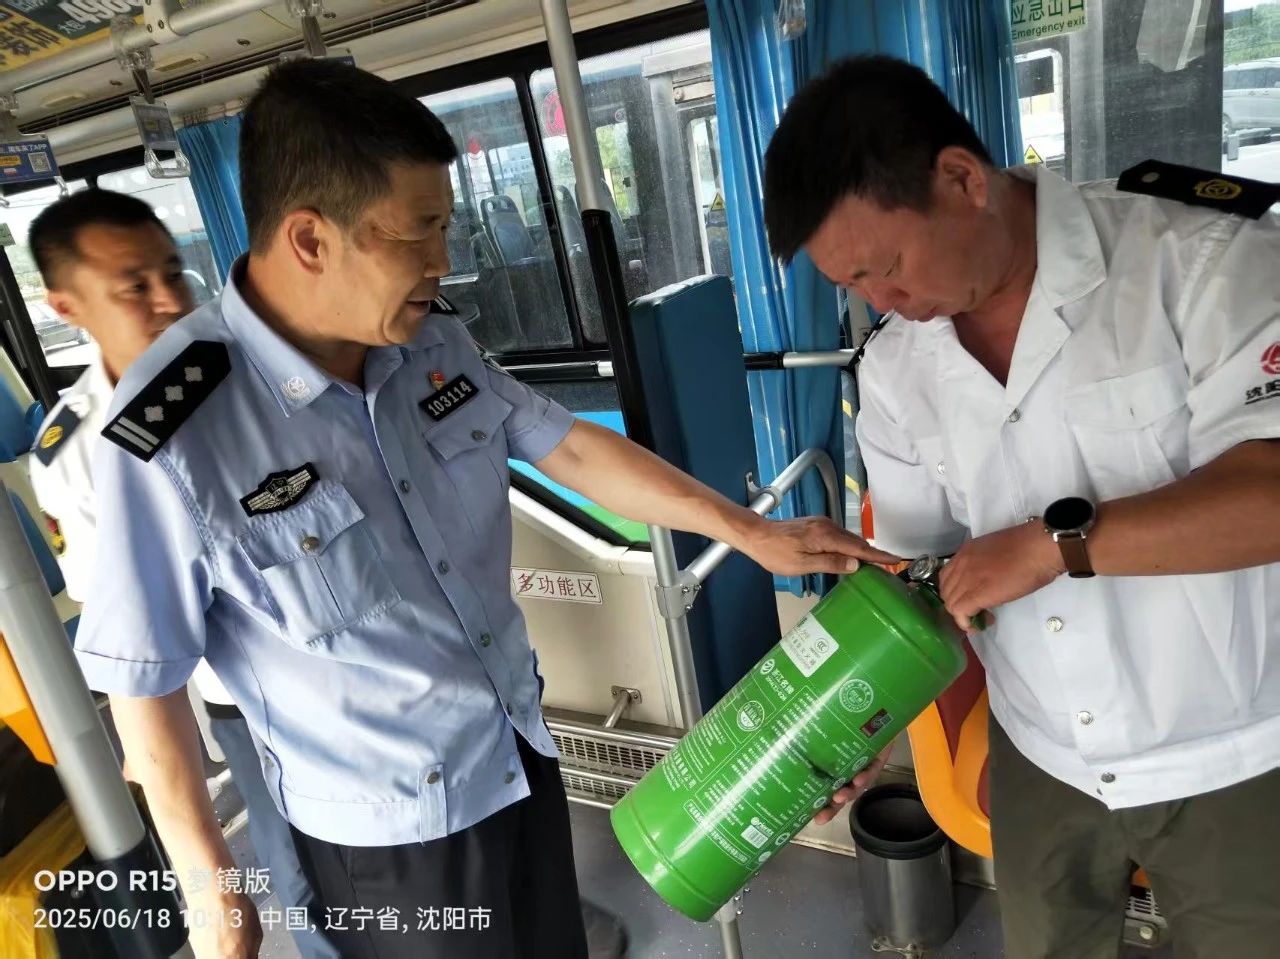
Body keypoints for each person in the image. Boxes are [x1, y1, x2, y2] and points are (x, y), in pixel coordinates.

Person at [72, 59, 894, 959]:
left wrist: (750, 530)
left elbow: (565, 444)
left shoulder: (431, 343)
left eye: (446, 226)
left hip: (515, 759)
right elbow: (142, 682)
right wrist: (210, 889)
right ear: (310, 238)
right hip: (388, 846)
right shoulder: (176, 432)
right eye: (418, 232)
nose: (442, 261)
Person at [762, 54, 1280, 958]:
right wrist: (850, 724)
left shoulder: (1200, 263)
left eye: (887, 267)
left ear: (963, 180)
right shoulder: (896, 369)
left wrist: (1054, 546)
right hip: (1041, 754)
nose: (883, 302)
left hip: (1236, 750)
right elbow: (917, 580)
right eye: (853, 287)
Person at [25, 188, 339, 959]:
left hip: (352, 657)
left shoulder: (260, 368)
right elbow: (132, 640)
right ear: (66, 306)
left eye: (173, 271)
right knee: (308, 881)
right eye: (134, 286)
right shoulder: (77, 453)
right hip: (248, 697)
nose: (169, 299)